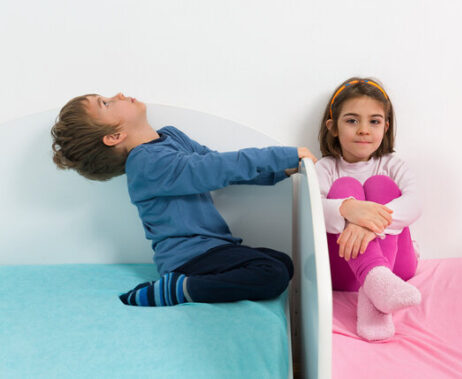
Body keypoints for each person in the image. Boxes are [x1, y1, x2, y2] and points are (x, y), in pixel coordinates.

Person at [51, 92, 316, 306]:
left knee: (282, 263)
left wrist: (278, 172)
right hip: (187, 259)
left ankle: (185, 285)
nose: (119, 94)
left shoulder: (171, 136)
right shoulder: (145, 163)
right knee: (273, 273)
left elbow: (217, 165)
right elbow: (213, 169)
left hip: (212, 248)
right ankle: (180, 289)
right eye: (106, 103)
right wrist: (282, 156)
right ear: (114, 137)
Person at [315, 77, 422, 341]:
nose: (363, 130)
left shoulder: (391, 165)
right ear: (333, 127)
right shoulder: (326, 168)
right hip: (344, 272)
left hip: (398, 268)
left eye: (374, 121)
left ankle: (377, 280)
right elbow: (312, 209)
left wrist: (366, 224)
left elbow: (416, 203)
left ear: (385, 127)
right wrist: (349, 209)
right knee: (346, 186)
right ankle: (375, 286)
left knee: (381, 184)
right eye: (352, 120)